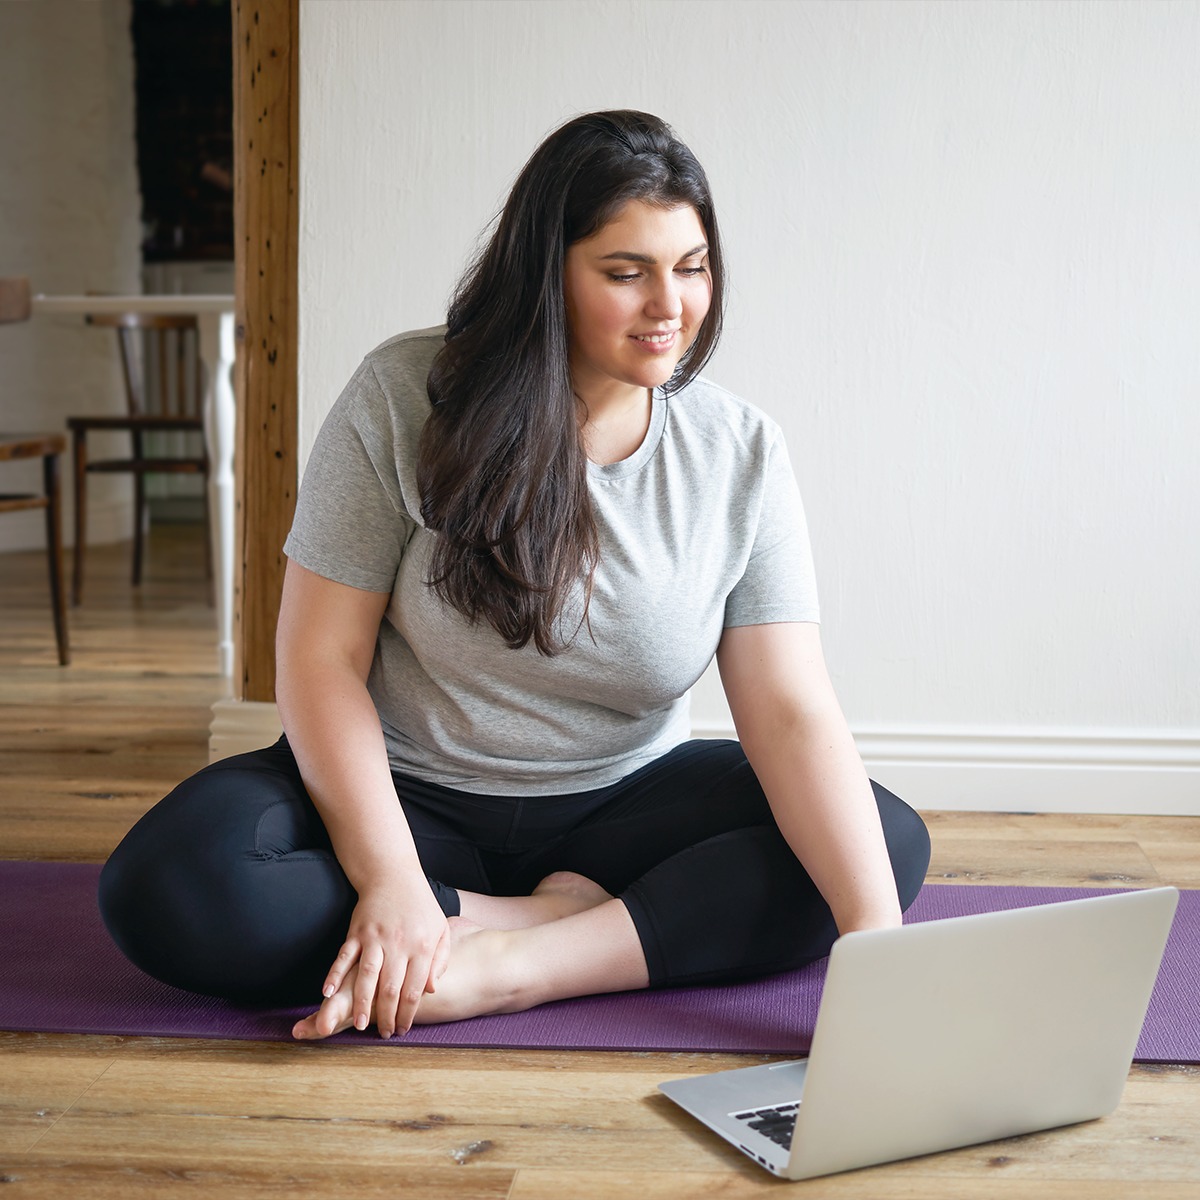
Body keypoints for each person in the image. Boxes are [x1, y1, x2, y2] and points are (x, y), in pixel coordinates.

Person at [99, 110, 931, 1042]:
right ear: (548, 274)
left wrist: (879, 951)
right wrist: (391, 881)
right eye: (627, 273)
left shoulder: (740, 452)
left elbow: (787, 710)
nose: (671, 306)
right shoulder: (404, 395)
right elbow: (319, 656)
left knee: (881, 848)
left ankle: (518, 964)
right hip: (409, 793)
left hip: (625, 811)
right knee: (170, 886)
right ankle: (532, 920)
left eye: (691, 267)